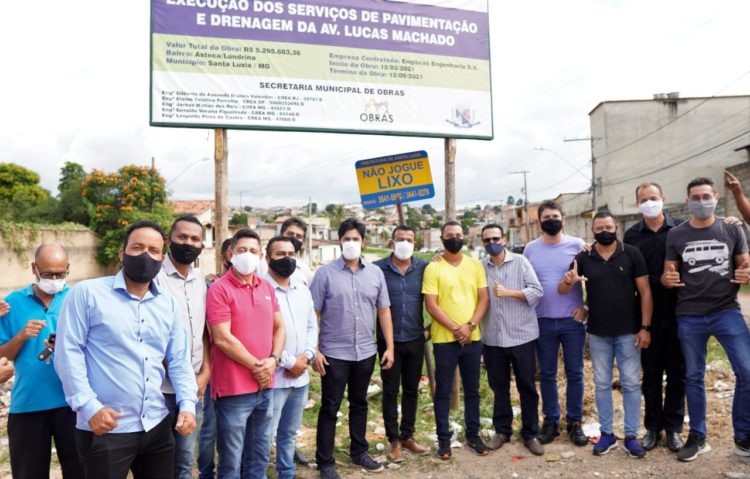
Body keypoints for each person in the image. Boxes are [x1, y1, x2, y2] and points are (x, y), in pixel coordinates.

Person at [55, 221, 198, 478]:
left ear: (162, 258)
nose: (146, 256)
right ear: (122, 253)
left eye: (154, 250)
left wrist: (187, 404)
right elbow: (68, 353)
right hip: (105, 426)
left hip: (156, 426)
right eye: (137, 247)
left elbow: (178, 359)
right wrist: (89, 407)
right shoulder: (87, 293)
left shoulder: (168, 304)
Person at [662, 176, 750, 462]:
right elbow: (668, 273)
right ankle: (698, 437)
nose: (702, 202)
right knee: (693, 376)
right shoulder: (676, 234)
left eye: (706, 196)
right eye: (696, 198)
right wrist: (666, 279)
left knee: (747, 371)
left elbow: (744, 266)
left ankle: (743, 437)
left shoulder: (732, 228)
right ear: (687, 201)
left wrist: (746, 274)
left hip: (726, 311)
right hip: (689, 314)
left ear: (716, 198)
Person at [559, 211, 652, 459]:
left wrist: (645, 327)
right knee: (601, 384)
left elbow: (645, 292)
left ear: (616, 227)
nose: (604, 231)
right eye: (599, 228)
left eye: (608, 227)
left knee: (631, 383)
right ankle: (607, 434)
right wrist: (569, 281)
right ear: (592, 230)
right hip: (598, 332)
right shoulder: (584, 257)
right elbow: (563, 288)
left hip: (629, 331)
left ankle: (631, 436)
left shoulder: (631, 253)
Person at [310, 218, 395, 479]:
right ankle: (325, 462)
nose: (350, 243)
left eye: (355, 239)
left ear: (363, 242)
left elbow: (384, 311)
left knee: (359, 404)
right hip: (333, 353)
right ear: (339, 241)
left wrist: (389, 347)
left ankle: (359, 452)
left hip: (365, 352)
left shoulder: (375, 273)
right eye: (346, 238)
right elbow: (312, 313)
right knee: (330, 407)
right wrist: (314, 349)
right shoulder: (325, 274)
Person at [206, 228, 286, 479]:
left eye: (253, 251)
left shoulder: (266, 287)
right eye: (242, 250)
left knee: (259, 455)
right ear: (230, 254)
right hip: (234, 390)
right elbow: (222, 337)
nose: (247, 255)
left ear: (261, 256)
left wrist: (274, 360)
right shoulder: (218, 289)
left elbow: (280, 327)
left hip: (265, 386)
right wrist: (258, 367)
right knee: (231, 460)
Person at [0, 244, 84, 478]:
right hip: (28, 405)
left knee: (81, 472)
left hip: (73, 404)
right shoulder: (12, 303)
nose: (54, 280)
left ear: (68, 268)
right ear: (34, 269)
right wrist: (21, 336)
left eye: (60, 274)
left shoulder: (78, 299)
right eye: (47, 274)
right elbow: (3, 356)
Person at [623, 183, 686, 453]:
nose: (649, 202)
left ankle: (673, 429)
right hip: (646, 315)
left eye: (653, 198)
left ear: (663, 198)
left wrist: (730, 221)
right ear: (637, 204)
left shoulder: (681, 229)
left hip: (680, 312)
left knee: (677, 373)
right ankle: (652, 427)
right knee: (650, 374)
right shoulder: (631, 235)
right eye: (644, 199)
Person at [523, 201, 588, 447]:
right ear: (539, 222)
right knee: (547, 374)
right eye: (547, 217)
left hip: (572, 321)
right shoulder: (530, 249)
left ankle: (575, 422)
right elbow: (524, 280)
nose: (551, 220)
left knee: (575, 373)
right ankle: (551, 421)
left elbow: (594, 278)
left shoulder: (578, 245)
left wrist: (587, 307)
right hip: (541, 321)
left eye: (555, 216)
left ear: (564, 218)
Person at [423, 220, 490, 460]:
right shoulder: (434, 268)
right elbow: (431, 305)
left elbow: (484, 299)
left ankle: (473, 435)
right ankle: (444, 439)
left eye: (459, 234)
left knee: (472, 390)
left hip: (472, 338)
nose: (455, 238)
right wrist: (456, 328)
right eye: (450, 235)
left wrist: (469, 327)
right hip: (444, 340)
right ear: (442, 239)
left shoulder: (475, 265)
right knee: (443, 391)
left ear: (465, 238)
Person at [480, 224, 545, 455]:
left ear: (504, 239)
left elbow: (537, 291)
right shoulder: (480, 267)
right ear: (482, 243)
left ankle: (531, 433)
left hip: (521, 336)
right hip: (493, 338)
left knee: (527, 387)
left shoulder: (520, 262)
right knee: (499, 388)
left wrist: (510, 293)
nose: (492, 243)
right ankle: (502, 431)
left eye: (495, 238)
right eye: (487, 240)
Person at [154, 215, 211, 479]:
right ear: (169, 241)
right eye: (182, 237)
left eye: (194, 239)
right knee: (158, 462)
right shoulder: (154, 279)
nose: (188, 243)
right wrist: (183, 380)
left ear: (202, 245)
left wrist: (206, 373)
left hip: (194, 389)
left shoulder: (200, 282)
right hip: (160, 389)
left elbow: (204, 333)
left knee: (185, 461)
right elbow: (153, 338)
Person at [262, 236, 318, 479]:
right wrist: (288, 361)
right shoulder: (260, 290)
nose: (287, 259)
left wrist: (307, 356)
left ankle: (286, 472)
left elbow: (311, 326)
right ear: (267, 259)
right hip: (274, 377)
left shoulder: (302, 289)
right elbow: (261, 335)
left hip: (300, 377)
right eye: (280, 254)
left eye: (291, 254)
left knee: (289, 432)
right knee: (265, 434)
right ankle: (257, 473)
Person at [373, 225, 430, 462]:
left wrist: (430, 330)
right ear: (392, 242)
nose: (405, 243)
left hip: (415, 338)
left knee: (411, 389)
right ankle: (394, 440)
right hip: (389, 342)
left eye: (409, 239)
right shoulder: (377, 269)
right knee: (390, 391)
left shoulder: (424, 268)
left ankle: (408, 435)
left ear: (415, 243)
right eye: (400, 239)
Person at [280, 216, 315, 286]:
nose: (294, 238)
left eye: (298, 236)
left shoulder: (304, 269)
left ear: (303, 241)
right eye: (290, 234)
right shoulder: (265, 266)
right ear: (281, 235)